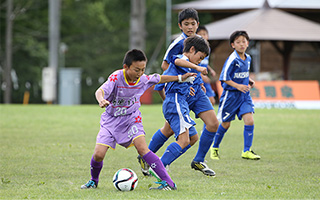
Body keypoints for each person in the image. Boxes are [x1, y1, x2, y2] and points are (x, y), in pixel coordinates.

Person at [80, 49, 196, 191]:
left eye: (142, 70)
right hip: (110, 121)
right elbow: (100, 91)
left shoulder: (142, 79)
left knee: (142, 149)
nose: (140, 73)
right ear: (126, 67)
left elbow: (160, 78)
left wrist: (180, 78)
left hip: (132, 119)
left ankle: (168, 183)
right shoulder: (116, 77)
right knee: (98, 154)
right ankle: (93, 181)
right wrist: (101, 99)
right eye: (136, 70)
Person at [138, 8, 218, 177]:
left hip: (196, 90)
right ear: (180, 26)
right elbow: (166, 66)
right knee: (171, 130)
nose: (190, 27)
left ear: (198, 24)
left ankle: (198, 160)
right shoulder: (178, 43)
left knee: (212, 124)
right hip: (181, 91)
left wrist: (196, 81)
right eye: (186, 24)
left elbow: (196, 67)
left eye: (193, 23)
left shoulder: (199, 42)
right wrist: (181, 80)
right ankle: (147, 157)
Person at [210, 30, 261, 160]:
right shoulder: (232, 59)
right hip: (230, 97)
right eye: (238, 42)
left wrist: (248, 80)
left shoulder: (248, 58)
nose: (241, 44)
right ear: (233, 45)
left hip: (244, 96)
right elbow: (224, 78)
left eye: (244, 41)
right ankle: (214, 147)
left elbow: (241, 73)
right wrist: (238, 86)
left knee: (249, 121)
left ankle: (246, 151)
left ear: (248, 43)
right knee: (226, 124)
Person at [196, 26, 217, 106]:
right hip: (198, 78)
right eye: (200, 34)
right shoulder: (195, 49)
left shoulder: (208, 49)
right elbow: (193, 65)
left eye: (204, 34)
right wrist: (201, 76)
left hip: (204, 78)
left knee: (212, 101)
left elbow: (204, 62)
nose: (202, 36)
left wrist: (211, 70)